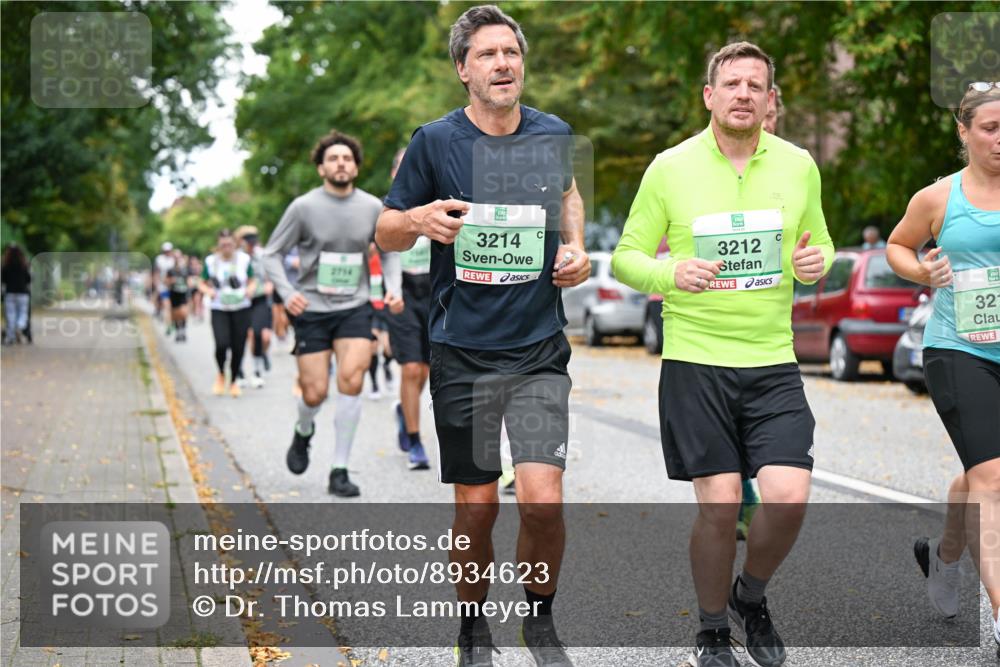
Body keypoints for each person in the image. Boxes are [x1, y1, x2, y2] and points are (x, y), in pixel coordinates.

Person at [376, 6, 591, 666]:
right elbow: (384, 229)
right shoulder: (436, 142)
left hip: (538, 348)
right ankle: (472, 623)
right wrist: (416, 217)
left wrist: (577, 248)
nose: (504, 63)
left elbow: (570, 194)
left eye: (512, 52)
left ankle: (539, 615)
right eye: (489, 53)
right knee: (475, 511)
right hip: (462, 351)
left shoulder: (552, 132)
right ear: (463, 69)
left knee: (542, 501)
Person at [612, 41, 833, 667]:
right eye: (731, 83)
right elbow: (628, 255)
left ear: (769, 100)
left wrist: (814, 264)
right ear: (709, 96)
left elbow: (818, 244)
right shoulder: (670, 167)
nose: (743, 93)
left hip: (771, 359)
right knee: (720, 501)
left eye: (754, 85)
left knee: (789, 495)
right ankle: (711, 631)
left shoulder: (799, 166)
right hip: (695, 359)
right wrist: (670, 274)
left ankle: (749, 596)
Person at [886, 82, 1000, 658]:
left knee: (983, 475)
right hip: (961, 348)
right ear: (964, 131)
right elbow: (897, 247)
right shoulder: (939, 198)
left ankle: (944, 554)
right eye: (990, 127)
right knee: (995, 478)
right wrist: (923, 273)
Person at [262, 130, 402, 498]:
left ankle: (339, 469)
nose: (341, 163)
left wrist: (393, 286)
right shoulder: (303, 207)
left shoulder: (373, 207)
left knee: (352, 381)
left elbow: (389, 251)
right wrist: (288, 292)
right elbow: (270, 254)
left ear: (355, 167)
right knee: (314, 393)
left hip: (354, 307)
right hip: (311, 307)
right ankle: (304, 430)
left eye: (347, 158)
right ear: (321, 167)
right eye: (333, 159)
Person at [384, 147, 433, 471]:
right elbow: (381, 255)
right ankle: (416, 442)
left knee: (427, 371)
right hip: (402, 293)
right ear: (394, 175)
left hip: (435, 292)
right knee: (411, 369)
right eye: (403, 166)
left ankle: (405, 409)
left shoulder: (439, 202)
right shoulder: (388, 212)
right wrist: (389, 291)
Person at [199, 229, 256, 398]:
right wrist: (208, 291)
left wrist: (249, 291)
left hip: (241, 307)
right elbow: (201, 282)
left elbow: (252, 281)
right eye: (223, 245)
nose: (227, 248)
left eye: (230, 244)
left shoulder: (244, 260)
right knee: (221, 344)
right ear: (218, 245)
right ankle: (221, 373)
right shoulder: (210, 262)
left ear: (235, 244)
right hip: (219, 308)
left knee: (238, 346)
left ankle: (233, 382)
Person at [236, 226, 273, 388]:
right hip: (241, 301)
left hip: (259, 299)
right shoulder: (236, 258)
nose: (251, 245)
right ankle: (239, 371)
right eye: (247, 242)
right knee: (242, 336)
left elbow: (271, 274)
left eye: (253, 241)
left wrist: (270, 285)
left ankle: (257, 370)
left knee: (259, 334)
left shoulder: (262, 255)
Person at [365, 243, 396, 400]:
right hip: (370, 311)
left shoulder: (385, 260)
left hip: (385, 309)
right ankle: (374, 384)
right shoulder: (363, 262)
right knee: (372, 348)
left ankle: (387, 366)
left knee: (389, 349)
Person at [2, 244, 31, 345]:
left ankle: (10, 337)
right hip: (23, 293)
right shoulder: (24, 265)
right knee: (23, 314)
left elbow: (3, 279)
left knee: (10, 316)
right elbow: (29, 279)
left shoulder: (6, 265)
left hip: (10, 293)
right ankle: (19, 327)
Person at [165, 249, 191, 343]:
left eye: (178, 256)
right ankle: (178, 331)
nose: (177, 258)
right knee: (175, 313)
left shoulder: (185, 269)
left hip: (183, 293)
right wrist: (171, 281)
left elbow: (190, 281)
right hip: (174, 293)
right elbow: (166, 281)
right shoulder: (170, 270)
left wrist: (189, 286)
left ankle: (183, 330)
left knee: (184, 312)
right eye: (175, 257)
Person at [153, 242, 176, 329]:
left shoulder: (174, 259)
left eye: (169, 250)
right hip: (163, 285)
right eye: (166, 251)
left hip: (173, 286)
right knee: (166, 305)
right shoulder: (159, 259)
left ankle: (173, 321)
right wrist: (157, 284)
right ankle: (169, 325)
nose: (167, 252)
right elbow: (156, 272)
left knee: (173, 306)